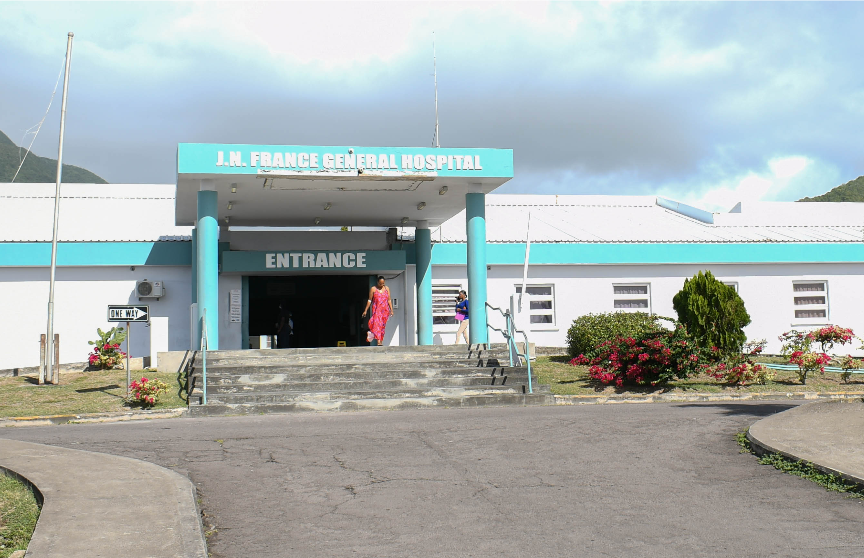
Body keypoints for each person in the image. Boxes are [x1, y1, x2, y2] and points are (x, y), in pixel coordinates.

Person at [361, 276, 393, 346]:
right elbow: (369, 300)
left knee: (382, 326)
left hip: (385, 311)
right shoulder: (373, 289)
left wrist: (391, 310)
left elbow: (389, 300)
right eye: (380, 283)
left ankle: (379, 340)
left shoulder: (387, 289)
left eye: (383, 283)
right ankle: (378, 342)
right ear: (377, 282)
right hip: (377, 310)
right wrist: (365, 310)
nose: (382, 285)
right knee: (377, 325)